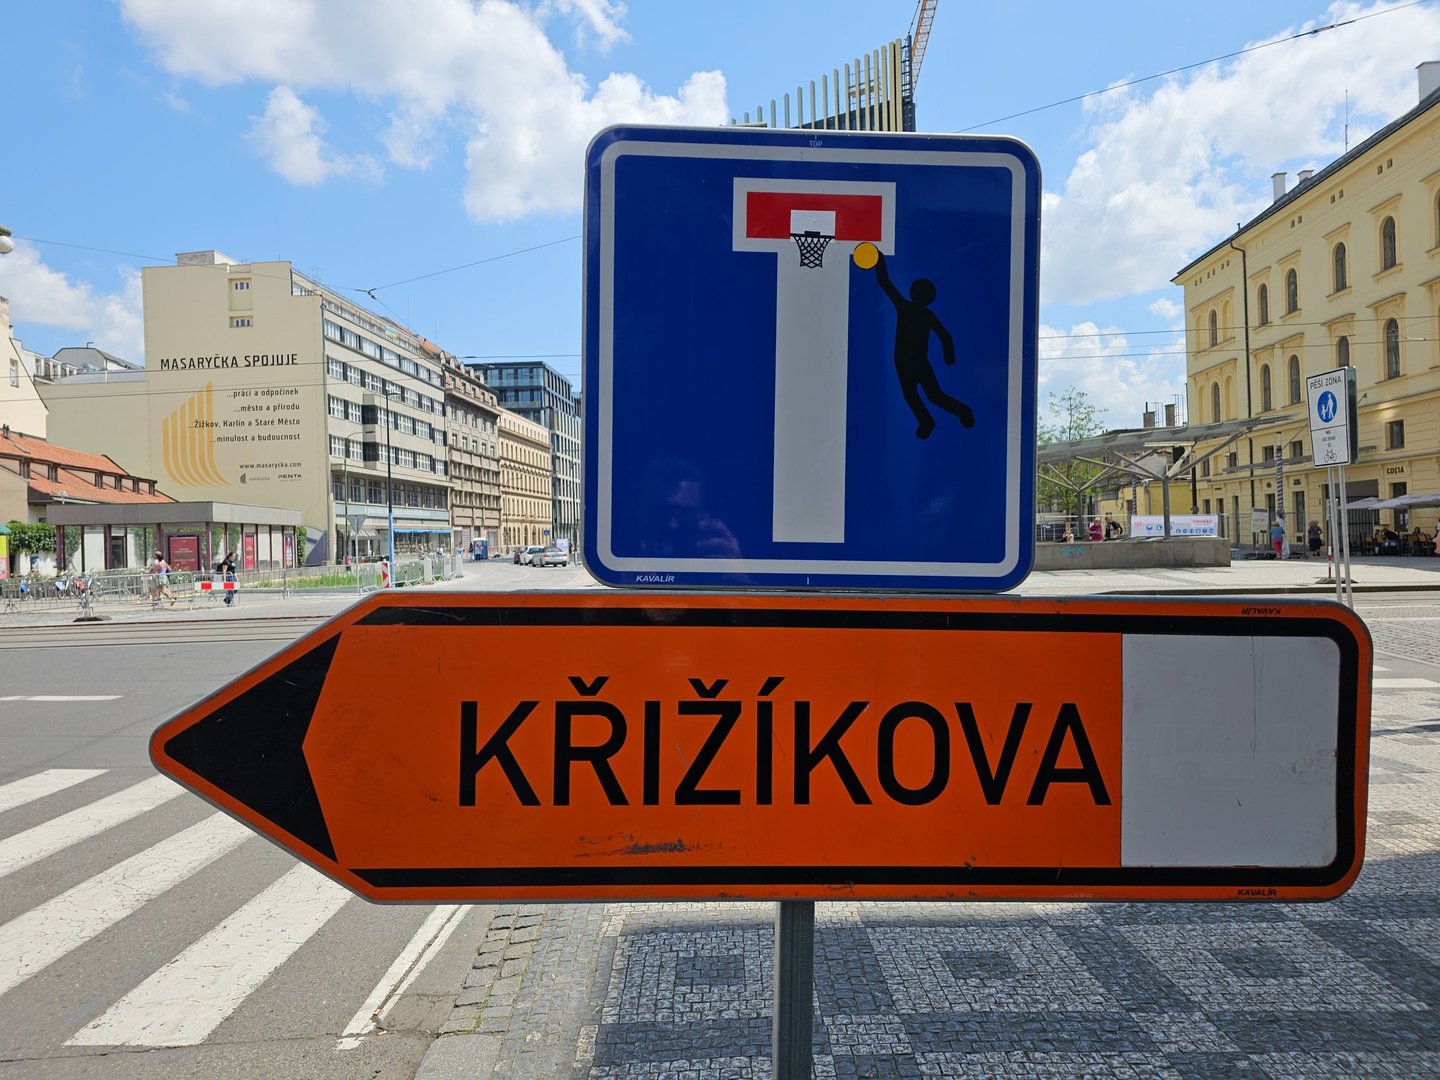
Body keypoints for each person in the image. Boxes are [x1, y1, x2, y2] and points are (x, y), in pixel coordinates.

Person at [869, 250, 974, 439]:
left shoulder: (914, 310)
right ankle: (928, 422)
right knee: (916, 395)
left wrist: (949, 358)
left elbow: (945, 336)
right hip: (905, 362)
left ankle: (960, 412)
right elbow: (884, 282)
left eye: (919, 291)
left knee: (929, 395)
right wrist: (879, 260)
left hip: (915, 362)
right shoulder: (909, 308)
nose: (915, 293)